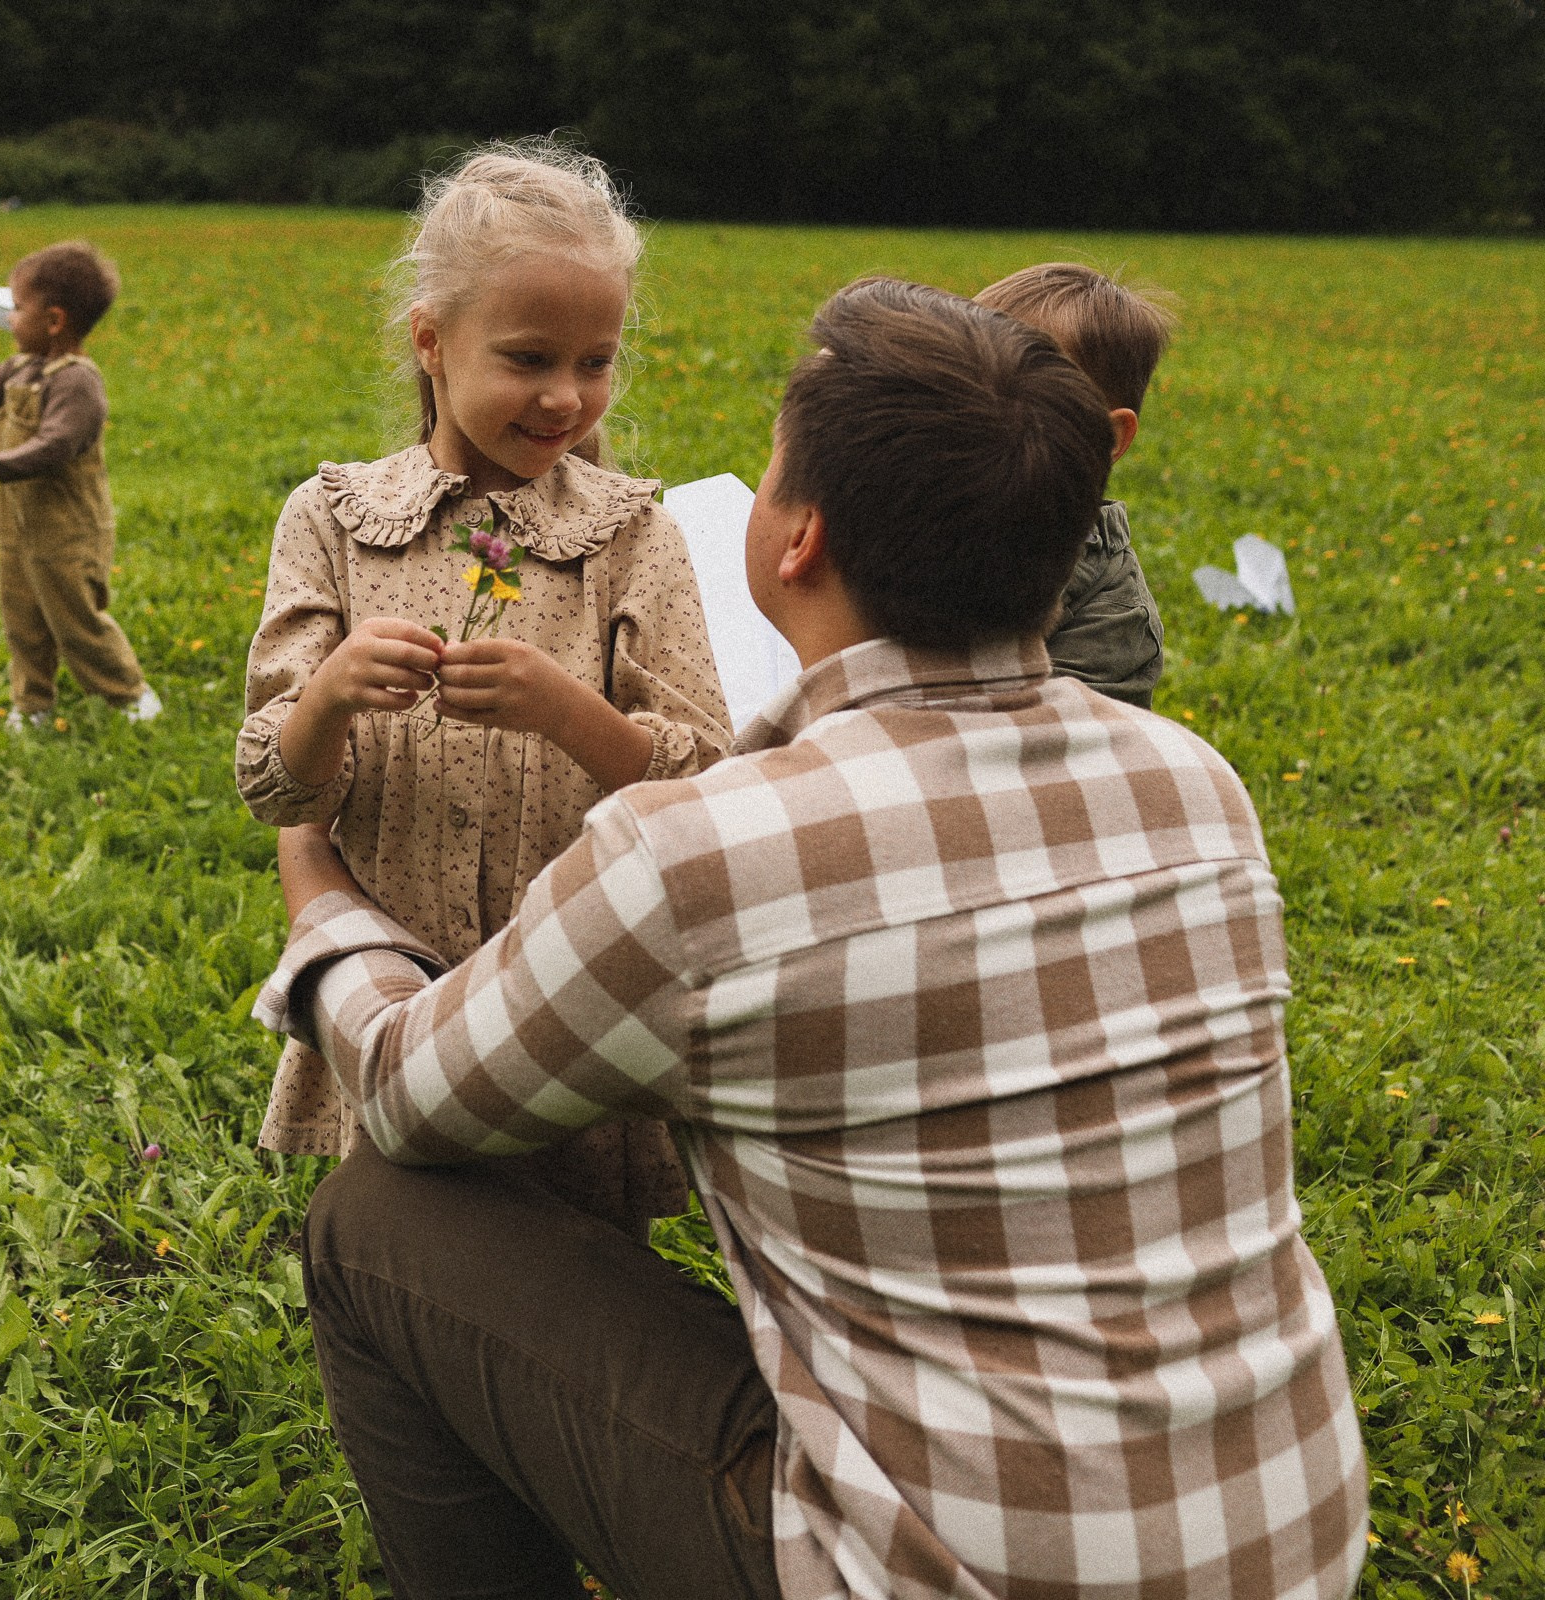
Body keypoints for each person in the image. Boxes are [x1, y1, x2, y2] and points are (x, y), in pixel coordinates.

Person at [253, 277, 1367, 1600]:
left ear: (798, 538)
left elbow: (406, 1092)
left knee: (372, 1218)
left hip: (917, 1576)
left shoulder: (706, 853)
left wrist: (320, 888)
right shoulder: (1197, 787)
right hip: (1287, 1544)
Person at [234, 143, 731, 1238]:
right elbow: (271, 782)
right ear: (430, 342)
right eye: (527, 357)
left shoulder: (632, 533)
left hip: (574, 982)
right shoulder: (332, 521)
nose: (565, 395)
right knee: (405, 1241)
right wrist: (329, 698)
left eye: (595, 361)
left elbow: (709, 778)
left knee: (586, 1259)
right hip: (396, 985)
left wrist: (570, 710)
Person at [0, 240, 159, 729]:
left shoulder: (78, 383)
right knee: (23, 621)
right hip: (21, 532)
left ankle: (129, 696)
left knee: (76, 624)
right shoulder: (22, 369)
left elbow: (54, 447)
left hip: (69, 534)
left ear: (54, 321)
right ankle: (33, 705)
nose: (8, 318)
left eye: (17, 308)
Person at [976, 262, 1175, 708]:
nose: (976, 411)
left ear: (1107, 437)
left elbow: (1055, 752)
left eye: (1022, 393)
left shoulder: (1113, 618)